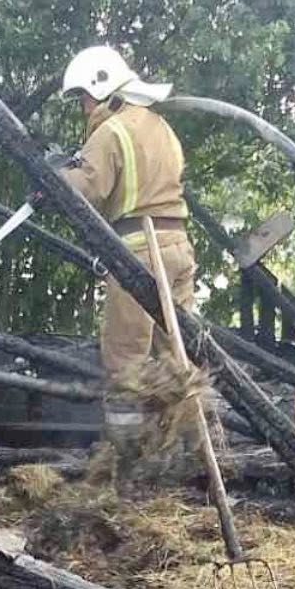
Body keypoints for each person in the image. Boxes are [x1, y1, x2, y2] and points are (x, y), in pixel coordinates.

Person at [55, 46, 196, 450]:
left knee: (125, 356)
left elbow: (88, 190)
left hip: (139, 250)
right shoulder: (163, 127)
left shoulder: (111, 131)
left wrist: (55, 175)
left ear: (105, 90)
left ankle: (126, 452)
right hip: (178, 248)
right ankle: (184, 443)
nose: (83, 107)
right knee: (176, 350)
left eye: (84, 97)